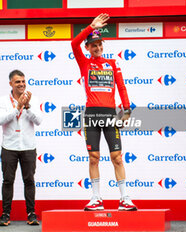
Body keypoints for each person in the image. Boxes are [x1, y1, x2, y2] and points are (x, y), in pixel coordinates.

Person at [71, 13, 137, 211]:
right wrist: (90, 27)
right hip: (91, 114)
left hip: (109, 115)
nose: (98, 48)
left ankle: (125, 198)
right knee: (94, 157)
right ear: (88, 48)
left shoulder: (113, 63)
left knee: (117, 156)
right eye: (94, 45)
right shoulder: (84, 62)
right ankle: (96, 198)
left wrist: (127, 110)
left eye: (100, 44)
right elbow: (74, 44)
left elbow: (122, 87)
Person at [0, 70, 42, 226]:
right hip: (9, 146)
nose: (21, 84)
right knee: (8, 181)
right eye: (17, 82)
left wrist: (27, 106)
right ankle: (5, 215)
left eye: (23, 81)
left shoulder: (33, 99)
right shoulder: (3, 100)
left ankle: (31, 214)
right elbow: (1, 120)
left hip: (28, 146)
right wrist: (17, 107)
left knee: (29, 180)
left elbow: (39, 120)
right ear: (11, 84)